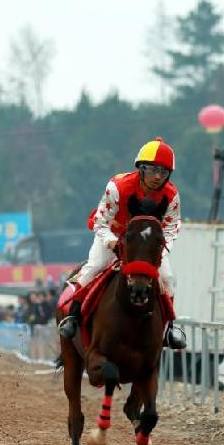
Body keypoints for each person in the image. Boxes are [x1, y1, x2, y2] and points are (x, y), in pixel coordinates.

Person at [57, 137, 186, 349]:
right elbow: (100, 221)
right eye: (152, 170)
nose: (157, 177)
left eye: (163, 172)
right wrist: (113, 243)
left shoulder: (172, 196)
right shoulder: (117, 186)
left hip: (146, 245)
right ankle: (73, 317)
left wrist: (160, 250)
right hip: (113, 237)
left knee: (168, 278)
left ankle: (170, 329)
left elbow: (171, 228)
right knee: (94, 267)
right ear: (140, 168)